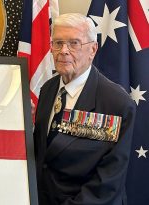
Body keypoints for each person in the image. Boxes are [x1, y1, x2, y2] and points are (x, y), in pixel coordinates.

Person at [33, 13, 136, 205]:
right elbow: (44, 157)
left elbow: (107, 181)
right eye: (58, 42)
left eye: (74, 43)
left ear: (93, 49)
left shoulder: (116, 103)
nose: (63, 50)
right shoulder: (47, 89)